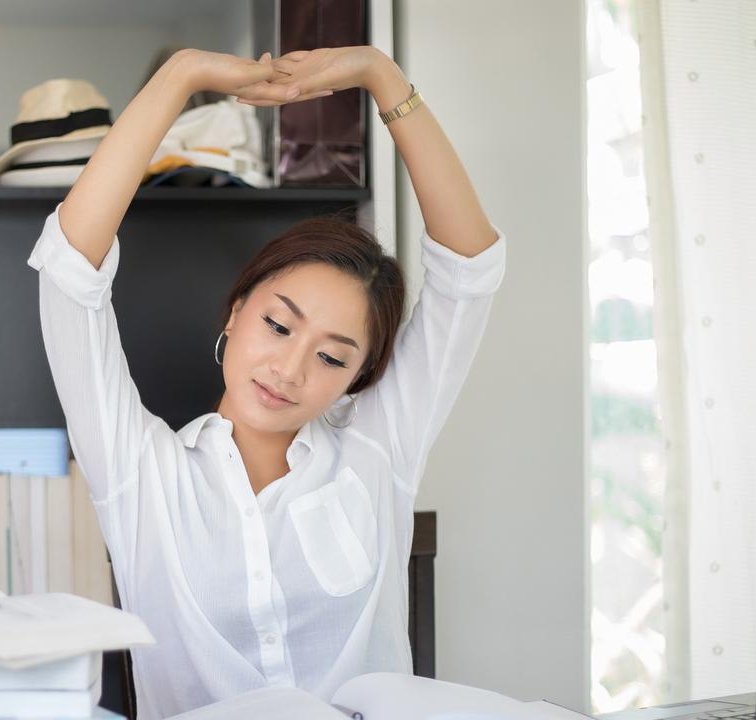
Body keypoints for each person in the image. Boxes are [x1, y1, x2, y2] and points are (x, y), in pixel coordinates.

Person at [25, 47, 506, 720]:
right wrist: (181, 75)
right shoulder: (143, 477)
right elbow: (69, 272)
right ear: (237, 310)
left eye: (333, 359)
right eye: (280, 326)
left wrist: (381, 76)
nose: (290, 370)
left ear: (357, 379)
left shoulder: (375, 453)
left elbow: (469, 272)